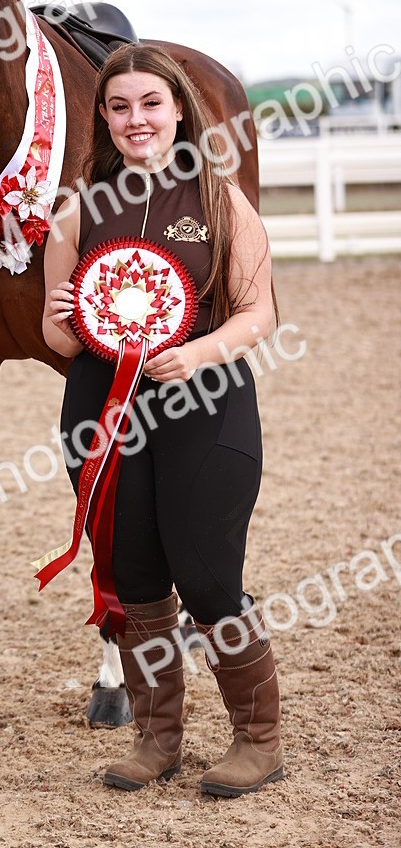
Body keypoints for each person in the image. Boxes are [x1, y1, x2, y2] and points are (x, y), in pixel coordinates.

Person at [42, 43, 283, 798]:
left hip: (202, 403)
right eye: (119, 107)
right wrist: (61, 322)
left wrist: (199, 352)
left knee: (208, 576)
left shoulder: (220, 199)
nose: (135, 119)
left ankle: (258, 739)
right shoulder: (76, 212)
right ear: (103, 117)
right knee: (135, 577)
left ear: (179, 108)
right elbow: (58, 335)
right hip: (104, 412)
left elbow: (260, 313)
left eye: (151, 103)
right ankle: (156, 738)